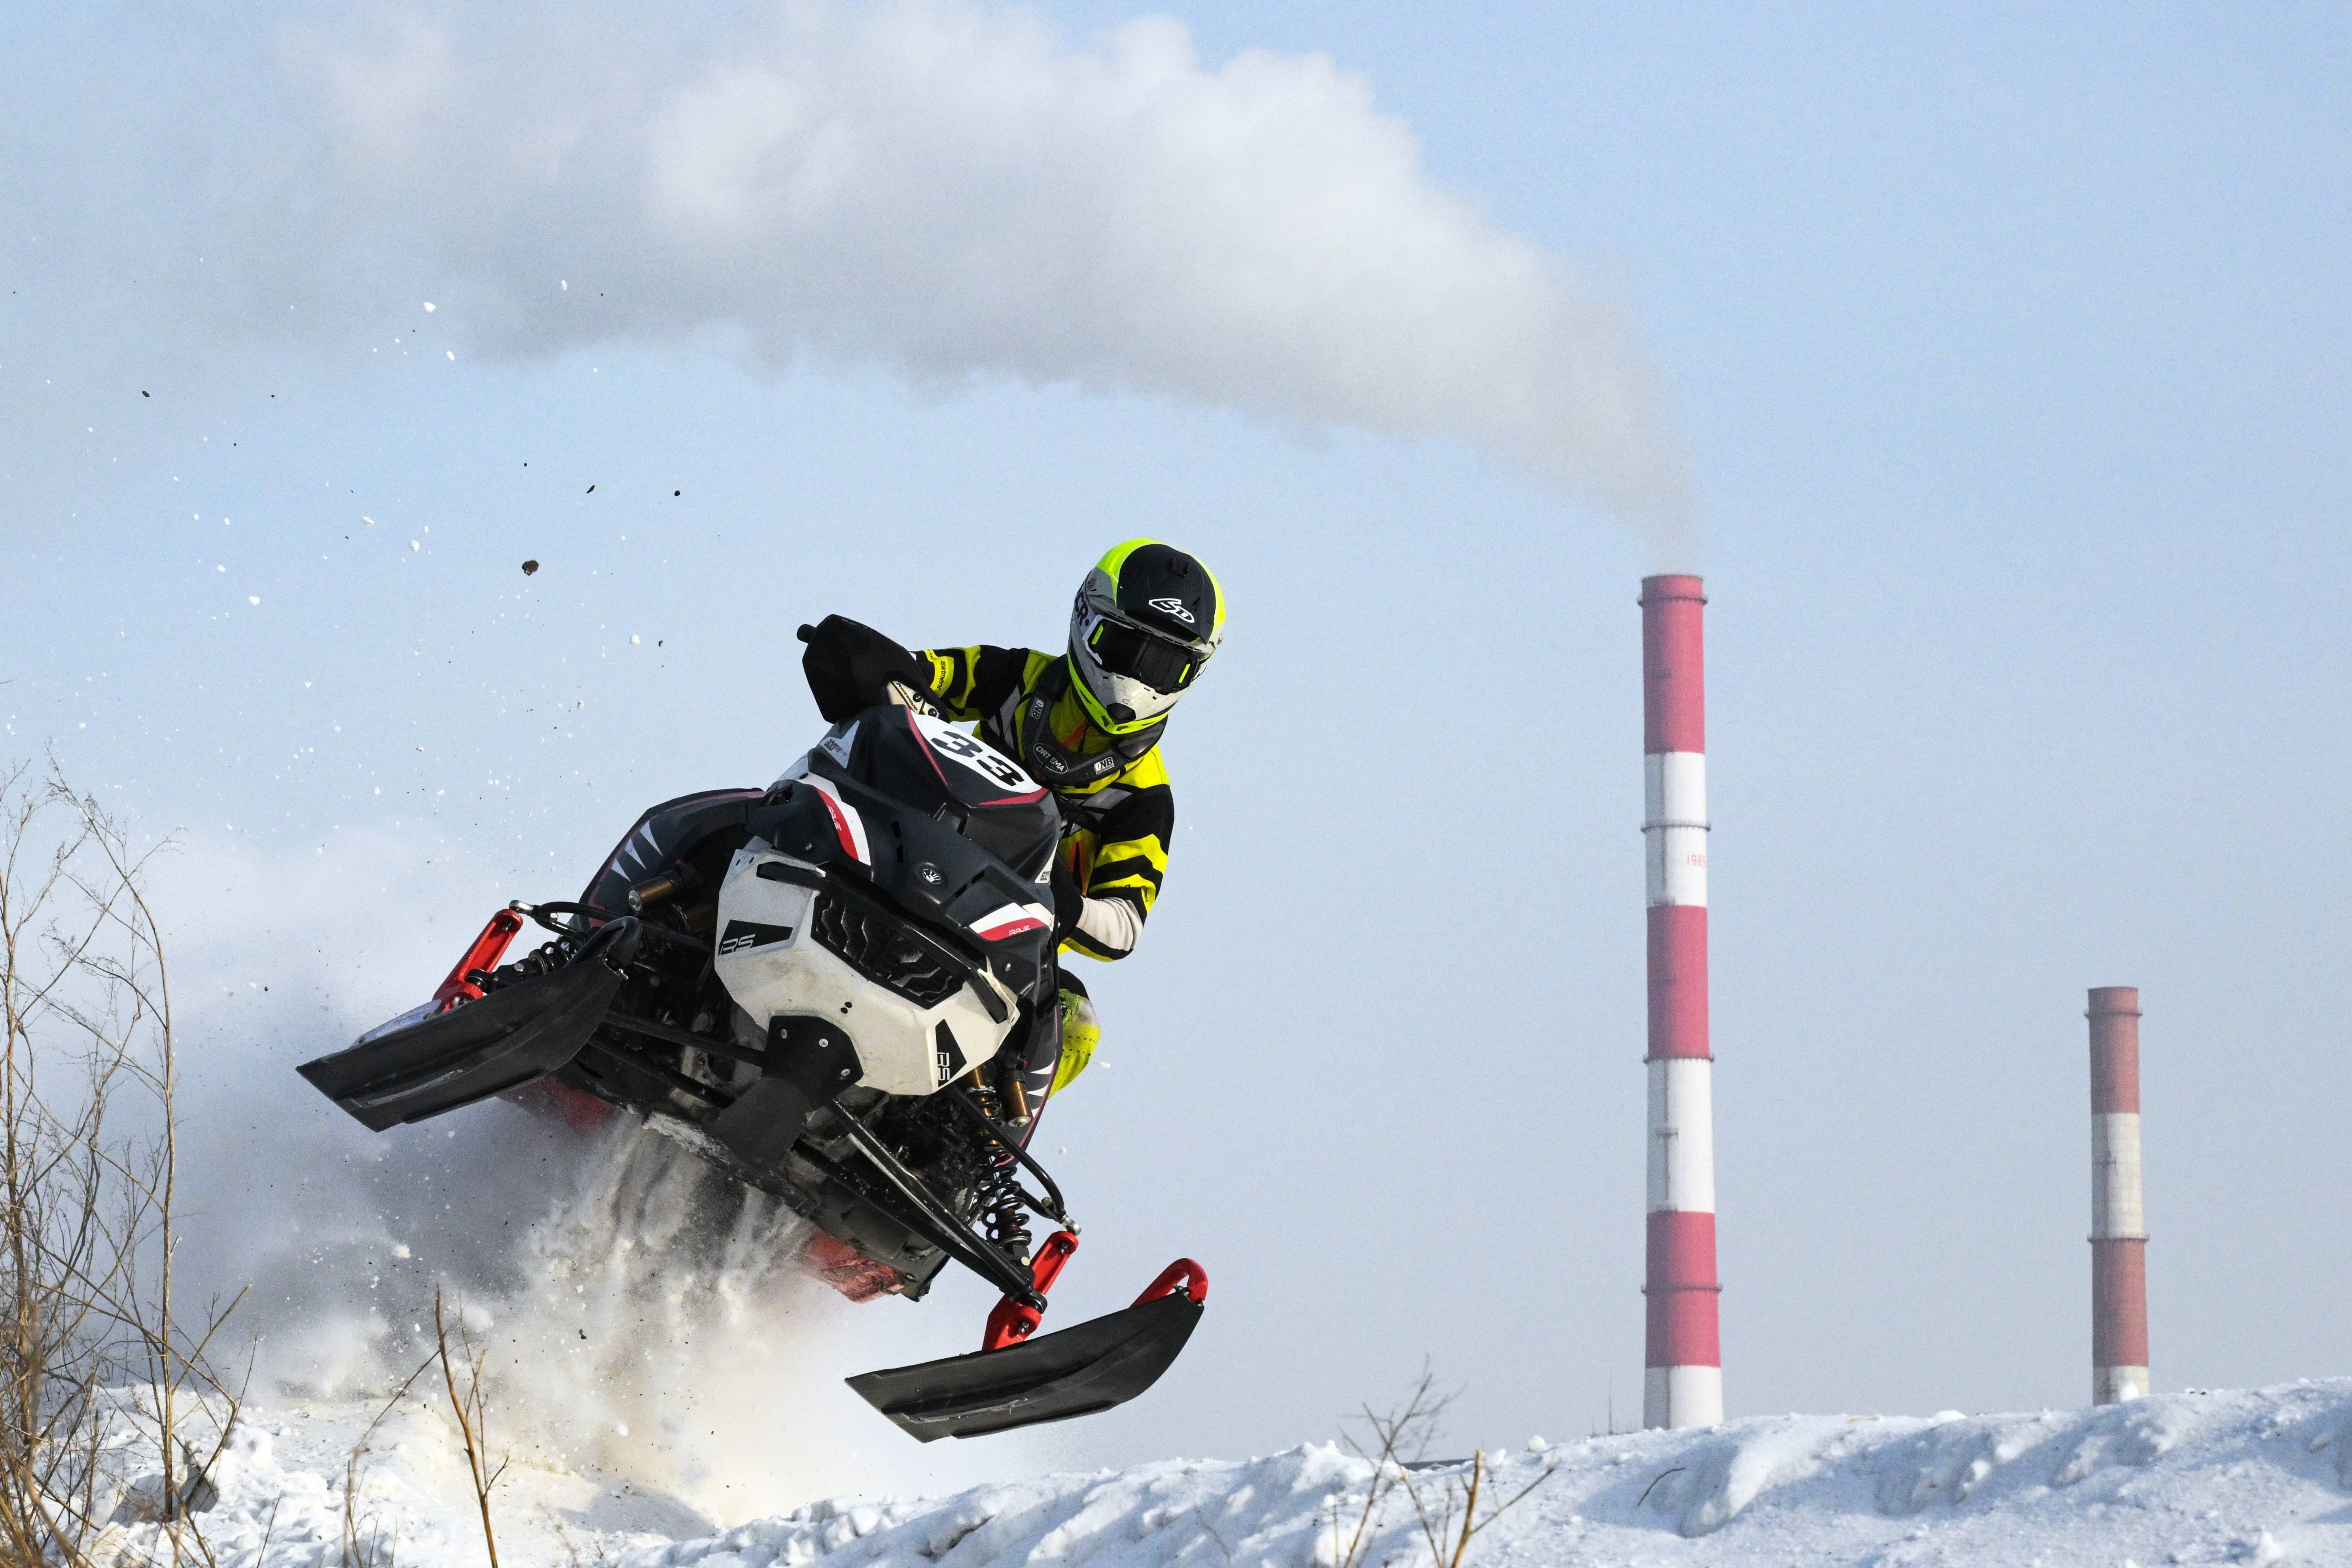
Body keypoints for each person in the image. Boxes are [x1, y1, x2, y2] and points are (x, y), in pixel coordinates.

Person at [797, 538, 1223, 1103]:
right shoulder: (1013, 676)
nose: (1139, 678)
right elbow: (916, 679)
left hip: (1004, 955)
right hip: (896, 864)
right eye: (1124, 646)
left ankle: (986, 1156)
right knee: (762, 814)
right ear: (1086, 622)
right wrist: (860, 659)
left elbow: (1123, 926)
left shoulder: (1145, 798)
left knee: (1075, 1023)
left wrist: (1061, 898)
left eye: (1166, 664)